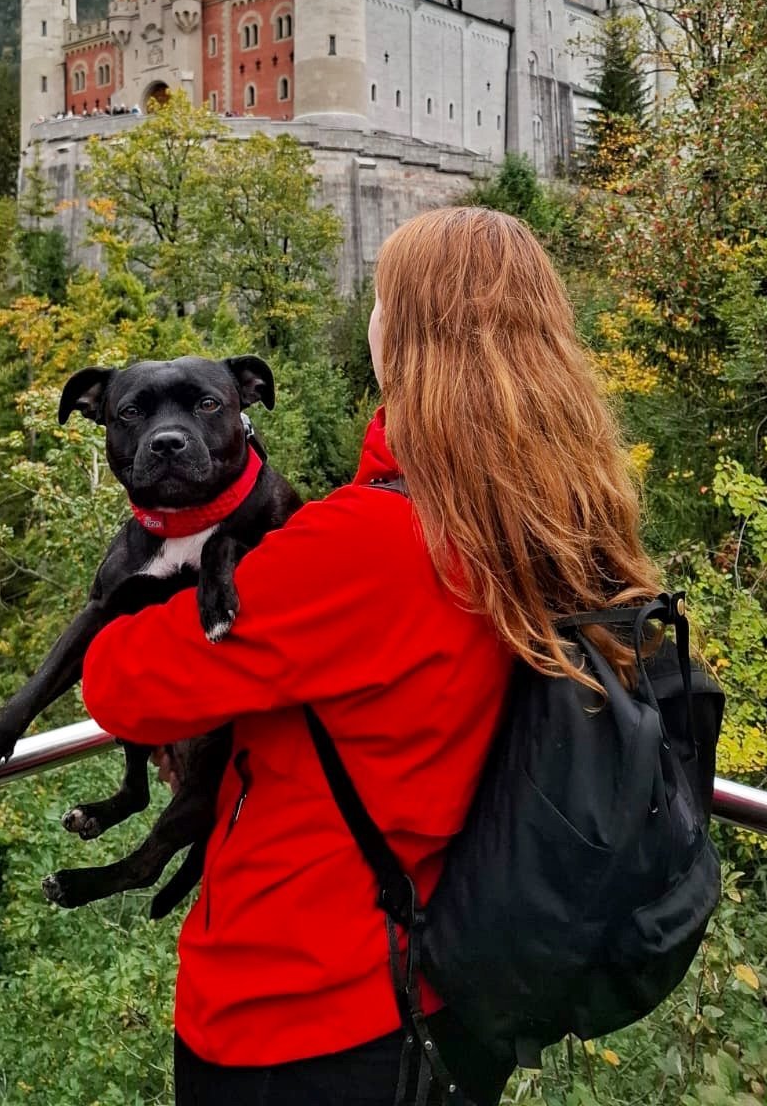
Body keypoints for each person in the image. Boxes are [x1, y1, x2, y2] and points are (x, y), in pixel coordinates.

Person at [81, 205, 662, 1105]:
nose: (370, 320)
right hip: (446, 979)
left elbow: (121, 686)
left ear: (406, 341)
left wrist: (148, 559)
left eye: (381, 302)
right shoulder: (550, 517)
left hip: (299, 1012)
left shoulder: (369, 542)